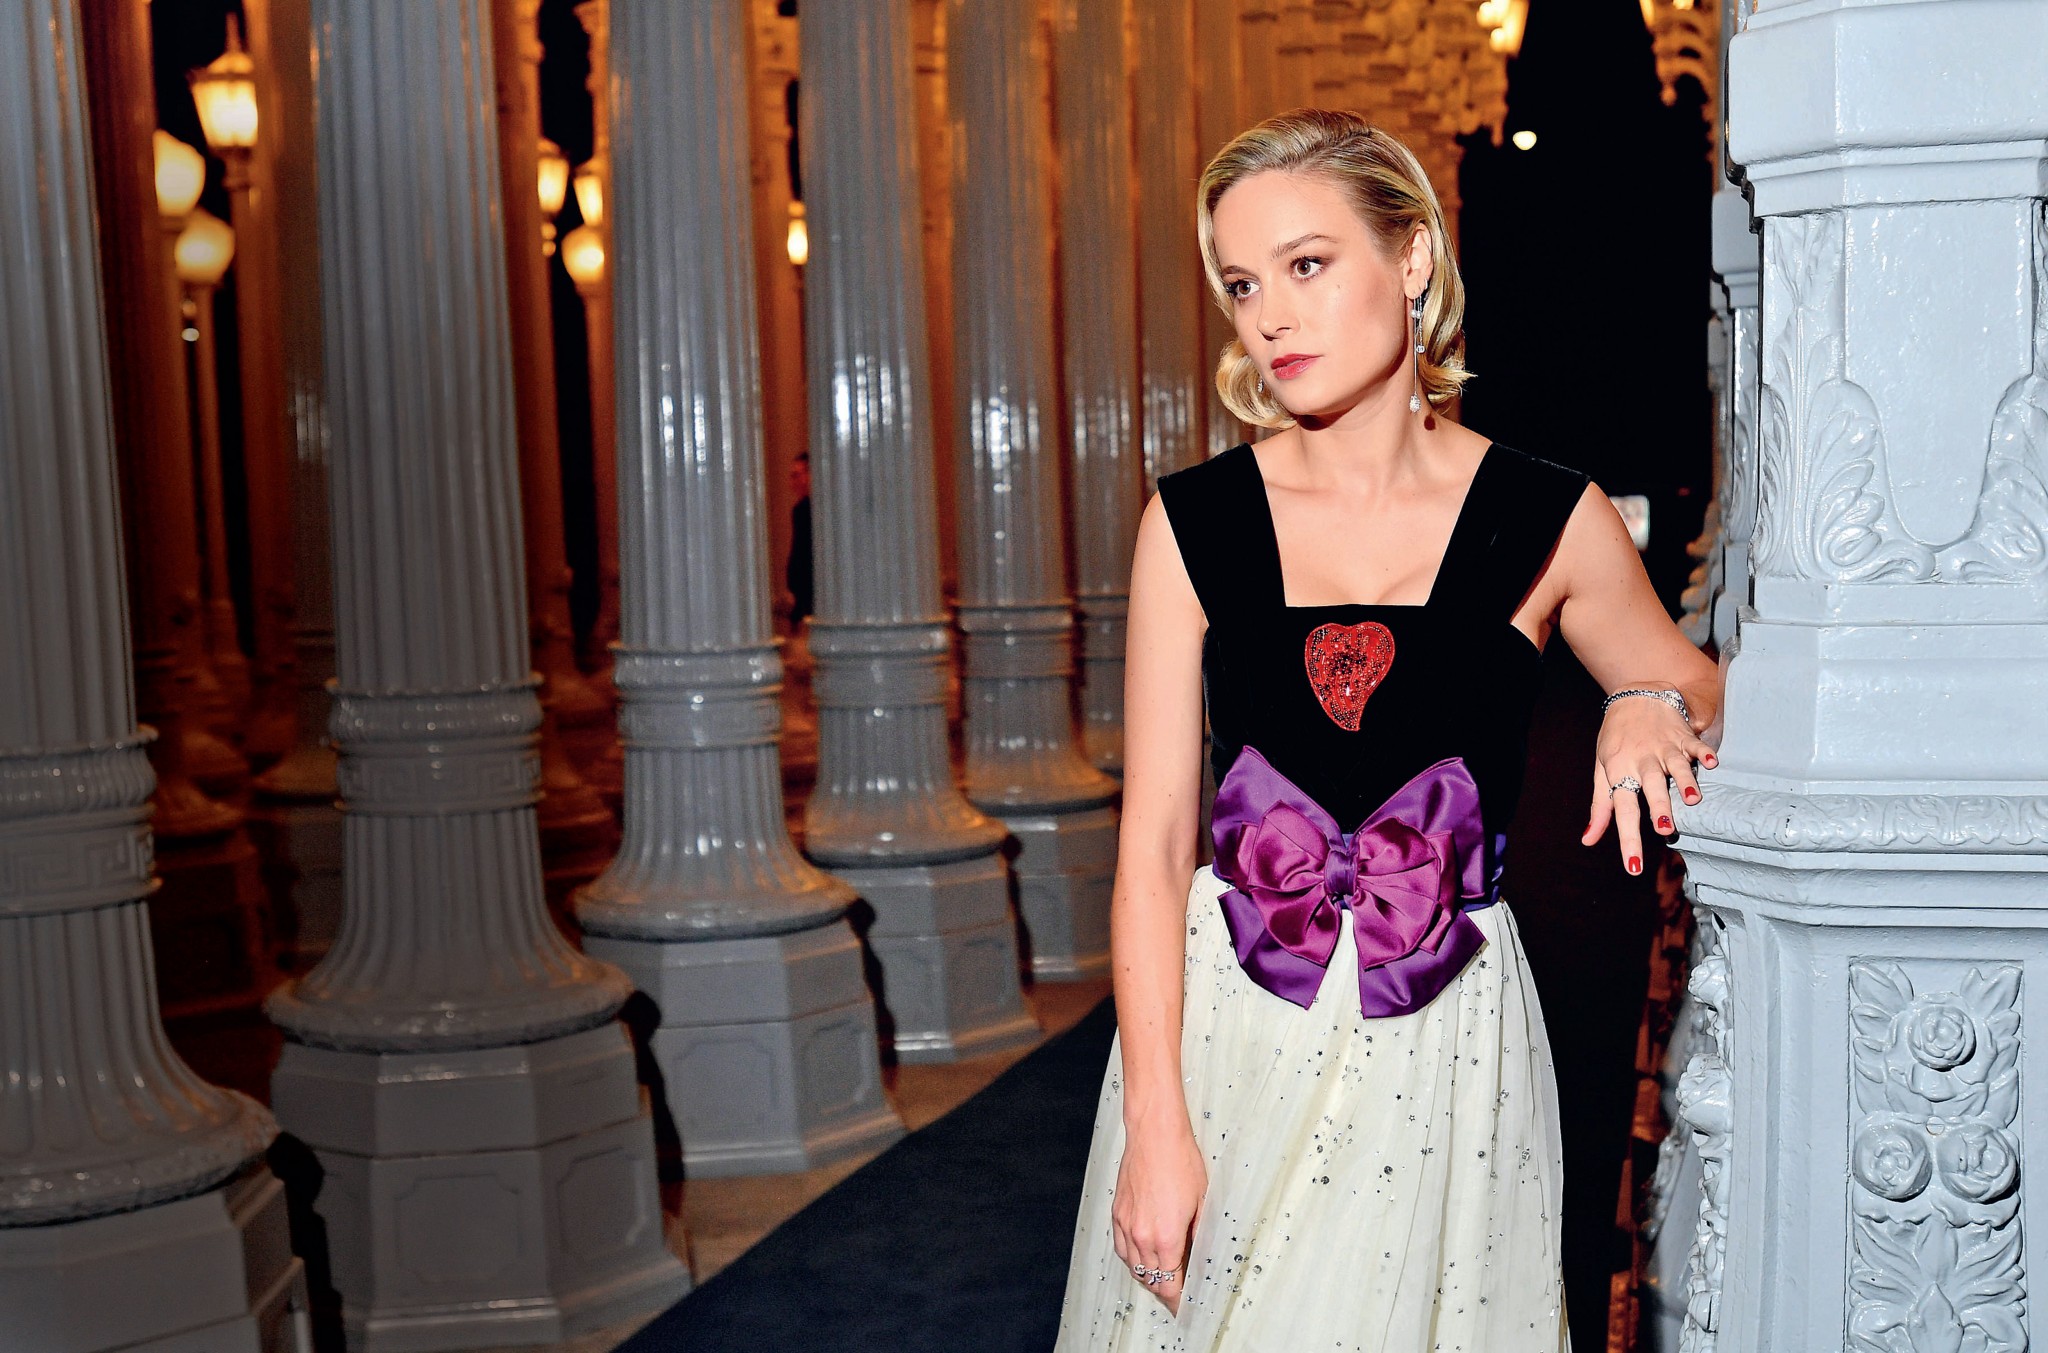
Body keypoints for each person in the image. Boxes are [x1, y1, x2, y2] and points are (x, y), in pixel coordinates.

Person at [1052, 110, 1722, 1351]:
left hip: (1446, 1036)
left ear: (1410, 258)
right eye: (1242, 284)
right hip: (1232, 1025)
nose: (1269, 316)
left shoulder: (1546, 515)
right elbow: (1149, 851)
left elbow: (1701, 685)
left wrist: (1644, 700)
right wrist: (1153, 1124)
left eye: (1306, 265)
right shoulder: (1190, 524)